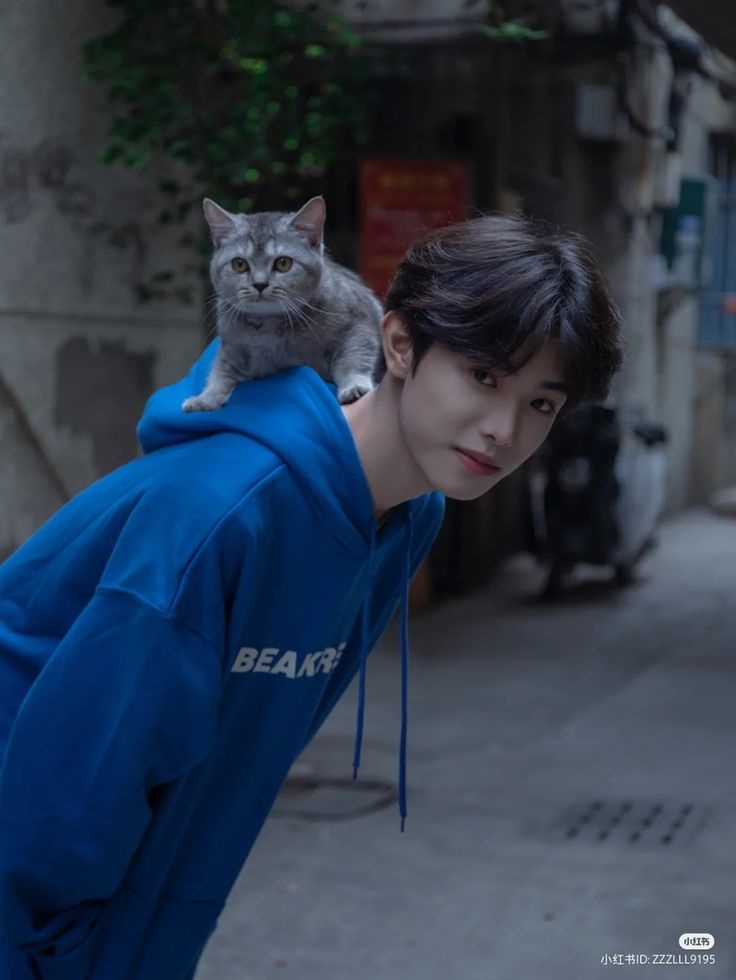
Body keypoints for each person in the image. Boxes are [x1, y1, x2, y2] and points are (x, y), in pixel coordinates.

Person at [0, 212, 623, 980]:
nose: (502, 429)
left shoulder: (409, 512)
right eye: (484, 376)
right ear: (398, 345)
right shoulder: (216, 515)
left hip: (147, 902)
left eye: (541, 404)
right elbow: (63, 803)